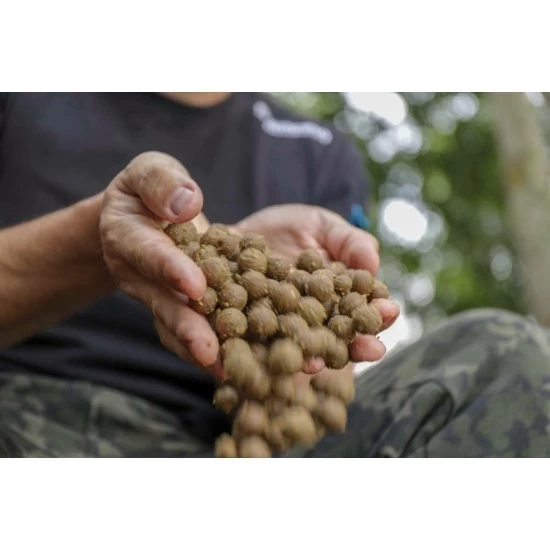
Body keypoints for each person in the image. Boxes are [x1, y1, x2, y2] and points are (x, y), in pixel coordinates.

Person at [0, 92, 548, 457]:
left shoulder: (318, 150)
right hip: (20, 410)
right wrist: (97, 239)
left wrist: (303, 341)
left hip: (218, 446)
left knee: (504, 352)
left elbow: (311, 378)